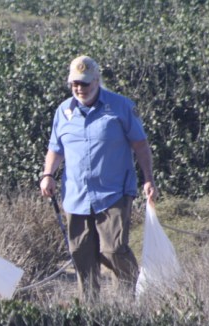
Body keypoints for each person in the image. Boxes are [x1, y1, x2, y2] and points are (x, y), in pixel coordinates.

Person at [39, 55, 157, 300]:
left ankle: (127, 300)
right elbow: (55, 148)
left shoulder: (121, 107)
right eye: (75, 84)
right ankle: (91, 310)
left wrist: (148, 178)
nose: (80, 89)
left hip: (114, 192)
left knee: (113, 250)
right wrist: (48, 174)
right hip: (76, 195)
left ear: (96, 81)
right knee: (81, 253)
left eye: (85, 83)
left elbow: (141, 144)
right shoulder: (63, 111)